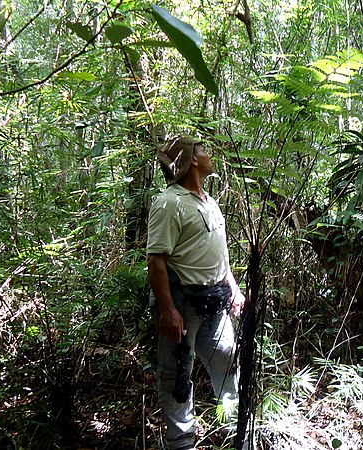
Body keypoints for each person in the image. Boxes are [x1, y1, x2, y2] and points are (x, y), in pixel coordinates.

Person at [147, 136, 245, 450]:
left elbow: (219, 253)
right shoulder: (169, 202)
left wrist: (234, 287)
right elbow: (156, 260)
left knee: (228, 361)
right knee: (176, 376)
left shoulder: (208, 200)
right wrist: (168, 311)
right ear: (191, 160)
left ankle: (236, 431)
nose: (208, 155)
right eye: (202, 150)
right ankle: (182, 442)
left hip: (217, 302)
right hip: (183, 304)